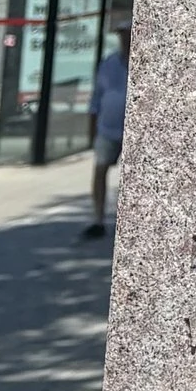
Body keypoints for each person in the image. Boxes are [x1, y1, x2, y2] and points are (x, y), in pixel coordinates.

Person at [85, 25, 129, 237]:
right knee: (100, 169)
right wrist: (92, 129)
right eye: (122, 36)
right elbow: (97, 97)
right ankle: (98, 219)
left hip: (136, 131)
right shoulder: (109, 63)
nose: (126, 40)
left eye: (129, 35)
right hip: (108, 127)